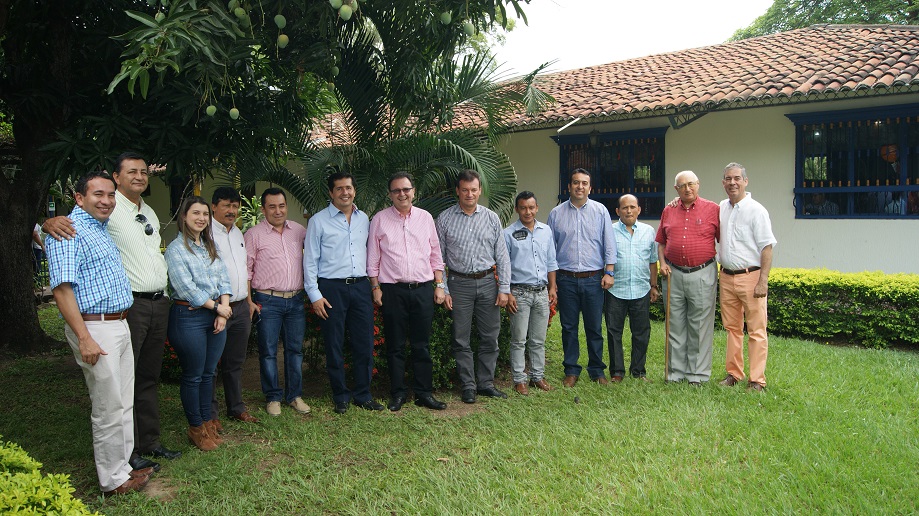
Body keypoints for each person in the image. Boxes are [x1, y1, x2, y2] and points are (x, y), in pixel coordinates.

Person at [44, 152, 180, 472]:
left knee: (145, 378)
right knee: (115, 392)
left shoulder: (141, 211)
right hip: (126, 308)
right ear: (116, 178)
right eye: (131, 171)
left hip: (153, 303)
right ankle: (123, 460)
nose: (139, 176)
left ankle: (146, 443)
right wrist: (49, 221)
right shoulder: (104, 211)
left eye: (144, 172)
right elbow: (67, 240)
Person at [367, 173, 448, 411]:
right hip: (393, 291)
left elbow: (436, 254)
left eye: (406, 189)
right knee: (396, 346)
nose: (402, 194)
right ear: (390, 194)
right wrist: (375, 287)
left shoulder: (425, 218)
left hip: (423, 290)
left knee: (422, 345)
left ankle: (424, 393)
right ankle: (398, 393)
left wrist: (439, 285)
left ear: (414, 191)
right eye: (396, 190)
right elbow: (373, 257)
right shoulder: (379, 220)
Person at [304, 171, 383, 414]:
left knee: (364, 342)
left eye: (348, 187)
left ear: (354, 190)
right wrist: (315, 295)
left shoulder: (364, 219)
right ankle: (340, 395)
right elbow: (310, 260)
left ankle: (363, 394)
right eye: (339, 188)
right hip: (331, 288)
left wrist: (373, 286)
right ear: (331, 192)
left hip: (360, 287)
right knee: (334, 344)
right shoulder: (318, 221)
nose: (344, 192)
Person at [436, 169, 512, 404]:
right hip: (459, 284)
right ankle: (468, 386)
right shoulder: (444, 219)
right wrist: (444, 288)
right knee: (461, 339)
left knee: (490, 337)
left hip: (488, 283)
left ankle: (486, 383)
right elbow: (438, 258)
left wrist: (504, 288)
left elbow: (502, 256)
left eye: (474, 190)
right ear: (457, 191)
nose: (469, 194)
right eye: (465, 190)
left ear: (480, 191)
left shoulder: (491, 218)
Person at [165, 196, 232, 450]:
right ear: (184, 216)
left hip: (215, 315)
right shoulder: (176, 249)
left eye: (205, 214)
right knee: (193, 375)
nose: (201, 218)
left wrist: (222, 312)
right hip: (189, 317)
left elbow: (224, 279)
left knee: (208, 373)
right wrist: (217, 308)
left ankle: (207, 422)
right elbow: (187, 288)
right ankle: (196, 428)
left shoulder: (209, 246)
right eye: (196, 213)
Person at [547, 168, 616, 387]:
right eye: (576, 182)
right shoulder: (556, 214)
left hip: (593, 279)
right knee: (569, 327)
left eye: (584, 183)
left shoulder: (600, 211)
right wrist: (552, 283)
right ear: (569, 186)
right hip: (566, 279)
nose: (580, 186)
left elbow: (609, 243)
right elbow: (550, 250)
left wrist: (609, 272)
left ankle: (596, 370)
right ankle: (571, 370)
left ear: (590, 187)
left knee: (594, 327)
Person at [245, 188, 310, 417]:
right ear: (263, 209)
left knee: (295, 350)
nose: (278, 211)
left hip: (296, 300)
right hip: (267, 300)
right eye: (272, 206)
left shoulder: (299, 231)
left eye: (281, 206)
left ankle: (294, 396)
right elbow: (246, 271)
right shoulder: (253, 235)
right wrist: (249, 300)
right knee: (268, 351)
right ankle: (273, 397)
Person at [717, 163, 777, 392]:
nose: (732, 183)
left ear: (745, 181)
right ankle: (734, 373)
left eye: (737, 178)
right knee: (732, 328)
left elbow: (767, 247)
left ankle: (757, 380)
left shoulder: (757, 210)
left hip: (751, 277)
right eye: (728, 178)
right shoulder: (721, 208)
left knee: (756, 330)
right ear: (723, 182)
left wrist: (763, 280)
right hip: (727, 277)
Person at [656, 171, 720, 385]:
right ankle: (675, 373)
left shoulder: (713, 209)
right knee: (674, 324)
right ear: (676, 189)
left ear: (698, 184)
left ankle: (697, 375)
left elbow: (725, 239)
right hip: (673, 273)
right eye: (682, 185)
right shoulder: (669, 210)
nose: (687, 189)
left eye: (691, 184)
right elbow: (661, 242)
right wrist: (662, 263)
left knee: (699, 325)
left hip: (702, 273)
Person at [209, 187, 260, 424]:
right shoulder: (205, 232)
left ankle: (236, 407)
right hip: (216, 308)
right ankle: (211, 414)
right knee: (211, 365)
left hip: (240, 307)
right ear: (213, 206)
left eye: (235, 206)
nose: (231, 211)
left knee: (235, 362)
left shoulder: (238, 233)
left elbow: (244, 270)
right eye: (226, 205)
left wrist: (248, 301)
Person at [503, 191, 558, 395]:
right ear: (517, 209)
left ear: (537, 208)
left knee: (538, 339)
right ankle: (519, 379)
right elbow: (504, 265)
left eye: (531, 207)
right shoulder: (508, 234)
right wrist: (508, 293)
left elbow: (551, 261)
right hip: (519, 293)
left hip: (541, 292)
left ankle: (537, 377)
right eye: (523, 208)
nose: (528, 212)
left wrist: (552, 287)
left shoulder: (546, 231)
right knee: (519, 339)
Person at [605, 194, 659, 383]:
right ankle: (617, 372)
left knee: (641, 332)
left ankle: (638, 371)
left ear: (639, 210)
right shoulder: (609, 231)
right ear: (617, 211)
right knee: (614, 332)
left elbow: (653, 261)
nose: (629, 211)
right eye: (624, 208)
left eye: (632, 207)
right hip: (615, 290)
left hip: (641, 289)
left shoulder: (648, 231)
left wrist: (653, 286)